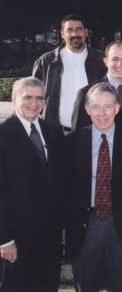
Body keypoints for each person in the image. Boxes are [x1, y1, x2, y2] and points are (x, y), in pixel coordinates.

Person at [66, 83, 122, 292]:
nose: (102, 113)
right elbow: (64, 190)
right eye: (96, 107)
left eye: (108, 107)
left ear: (117, 109)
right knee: (86, 284)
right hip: (85, 227)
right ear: (87, 110)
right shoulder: (71, 143)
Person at [0, 77, 66, 291]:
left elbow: (59, 183)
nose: (34, 103)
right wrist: (4, 239)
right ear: (14, 99)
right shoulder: (3, 134)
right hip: (16, 240)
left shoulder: (53, 132)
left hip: (50, 238)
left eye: (39, 98)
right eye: (27, 97)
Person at [32, 14, 106, 131]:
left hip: (93, 130)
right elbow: (34, 97)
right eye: (70, 30)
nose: (75, 34)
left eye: (79, 29)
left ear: (86, 32)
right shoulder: (46, 62)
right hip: (57, 133)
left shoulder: (101, 60)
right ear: (62, 34)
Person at [71, 40, 122, 132]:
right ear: (106, 61)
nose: (120, 64)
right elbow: (78, 135)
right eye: (115, 59)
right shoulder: (86, 93)